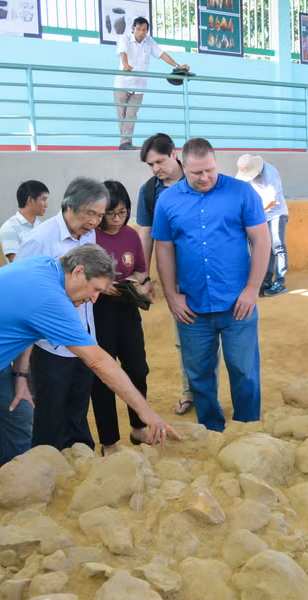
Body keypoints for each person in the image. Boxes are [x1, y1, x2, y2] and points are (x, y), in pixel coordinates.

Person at [0, 244, 178, 542]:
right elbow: (98, 361)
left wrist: (20, 376)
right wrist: (146, 413)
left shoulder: (49, 268)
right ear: (79, 272)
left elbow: (25, 327)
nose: (95, 298)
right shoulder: (50, 298)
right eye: (95, 289)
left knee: (18, 420)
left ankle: (11, 502)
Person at [152, 138, 271, 432]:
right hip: (191, 307)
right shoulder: (167, 201)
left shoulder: (241, 192)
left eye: (210, 170)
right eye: (197, 173)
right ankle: (210, 429)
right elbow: (163, 248)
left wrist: (252, 290)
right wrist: (171, 296)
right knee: (199, 375)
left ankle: (247, 426)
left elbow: (261, 240)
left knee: (244, 371)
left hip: (237, 305)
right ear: (183, 166)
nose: (205, 178)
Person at [16, 177, 108, 450]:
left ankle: (80, 460)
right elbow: (23, 293)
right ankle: (47, 466)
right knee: (50, 413)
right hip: (51, 345)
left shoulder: (90, 235)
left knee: (78, 407)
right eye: (90, 213)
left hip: (84, 336)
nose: (94, 222)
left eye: (99, 216)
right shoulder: (39, 240)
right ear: (69, 206)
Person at [135, 133, 196, 416]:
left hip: (212, 274)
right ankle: (189, 392)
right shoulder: (149, 192)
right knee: (183, 338)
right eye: (150, 164)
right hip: (177, 279)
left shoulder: (199, 177)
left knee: (221, 335)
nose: (156, 168)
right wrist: (144, 277)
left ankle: (210, 392)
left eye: (159, 161)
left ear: (174, 153)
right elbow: (145, 237)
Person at [91, 181, 153, 456]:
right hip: (97, 311)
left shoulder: (131, 235)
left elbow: (141, 269)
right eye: (111, 214)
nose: (117, 220)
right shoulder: (89, 237)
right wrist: (102, 285)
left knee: (137, 369)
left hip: (127, 309)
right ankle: (108, 442)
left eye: (123, 212)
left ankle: (138, 427)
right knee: (103, 374)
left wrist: (134, 280)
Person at [114, 17, 189, 150]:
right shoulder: (125, 38)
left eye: (144, 30)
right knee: (122, 115)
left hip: (139, 85)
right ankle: (124, 143)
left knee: (131, 114)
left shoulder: (149, 42)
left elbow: (161, 54)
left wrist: (178, 65)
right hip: (122, 83)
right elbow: (123, 52)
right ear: (133, 29)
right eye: (139, 29)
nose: (141, 32)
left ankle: (125, 143)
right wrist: (125, 64)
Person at [235, 154, 289, 296]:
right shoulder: (244, 172)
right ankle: (266, 282)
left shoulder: (271, 172)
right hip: (261, 214)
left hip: (276, 213)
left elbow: (272, 200)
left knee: (278, 247)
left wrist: (253, 215)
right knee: (266, 248)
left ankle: (280, 282)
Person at [0, 180, 49, 263]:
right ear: (30, 200)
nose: (46, 205)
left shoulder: (42, 226)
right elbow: (16, 263)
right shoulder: (9, 228)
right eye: (43, 199)